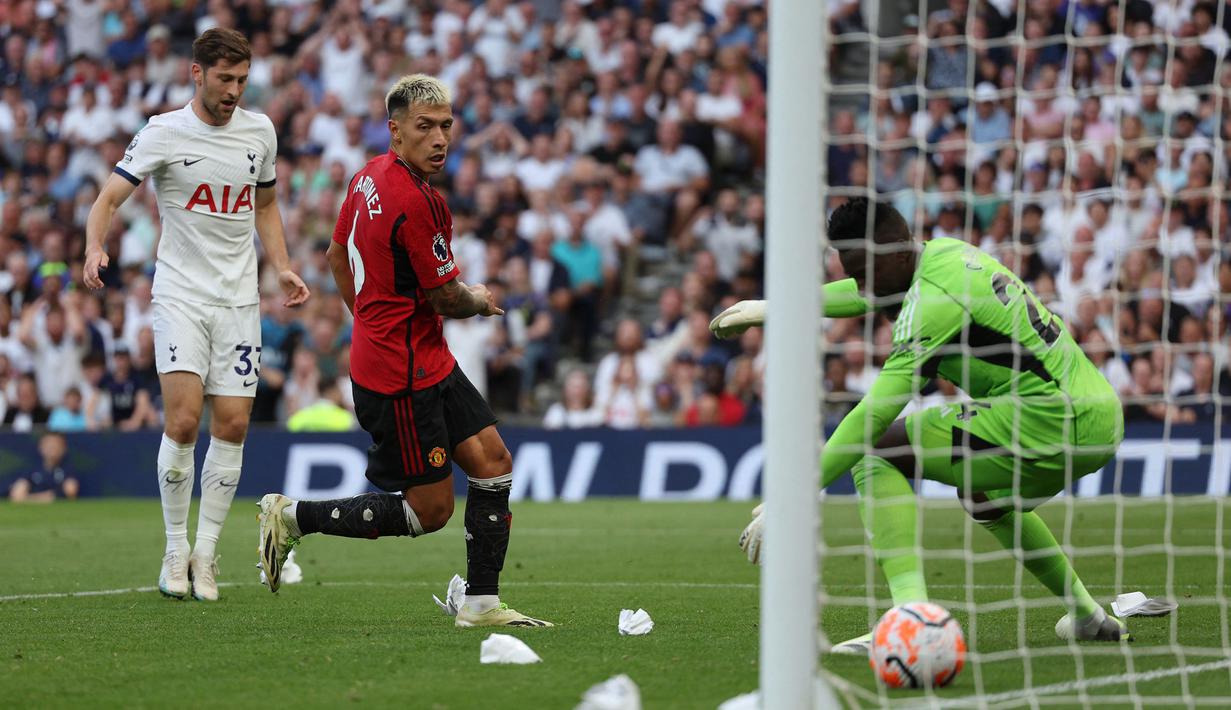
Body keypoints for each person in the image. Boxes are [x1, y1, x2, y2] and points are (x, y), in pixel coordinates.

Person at [710, 198, 1128, 651]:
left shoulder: (932, 304)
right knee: (983, 496)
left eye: (866, 272)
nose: (864, 288)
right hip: (1095, 417)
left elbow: (871, 416)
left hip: (1050, 418)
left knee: (876, 450)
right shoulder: (941, 255)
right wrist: (773, 306)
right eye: (854, 273)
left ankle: (910, 618)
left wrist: (791, 498)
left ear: (897, 251)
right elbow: (862, 292)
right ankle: (1087, 615)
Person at [257, 74, 550, 628]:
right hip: (402, 377)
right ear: (395, 131)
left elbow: (335, 254)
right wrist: (480, 300)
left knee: (493, 462)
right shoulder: (419, 202)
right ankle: (293, 516)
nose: (440, 139)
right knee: (430, 511)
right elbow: (444, 296)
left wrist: (368, 319)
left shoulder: (367, 176)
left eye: (446, 126)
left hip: (423, 359)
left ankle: (481, 605)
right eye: (425, 127)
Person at [82, 29, 310, 602]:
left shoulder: (260, 132)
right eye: (224, 79)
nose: (234, 90)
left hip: (239, 300)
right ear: (197, 74)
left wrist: (280, 265)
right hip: (180, 294)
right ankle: (175, 549)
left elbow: (267, 204)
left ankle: (207, 555)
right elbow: (108, 198)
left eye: (242, 80)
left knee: (231, 425)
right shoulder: (163, 132)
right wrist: (94, 246)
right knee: (183, 422)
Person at [9, 432, 79, 503]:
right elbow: (17, 494)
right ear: (40, 447)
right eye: (48, 445)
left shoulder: (68, 470)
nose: (52, 448)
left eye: (56, 445)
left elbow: (71, 492)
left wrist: (53, 496)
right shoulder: (32, 470)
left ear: (63, 448)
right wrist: (42, 498)